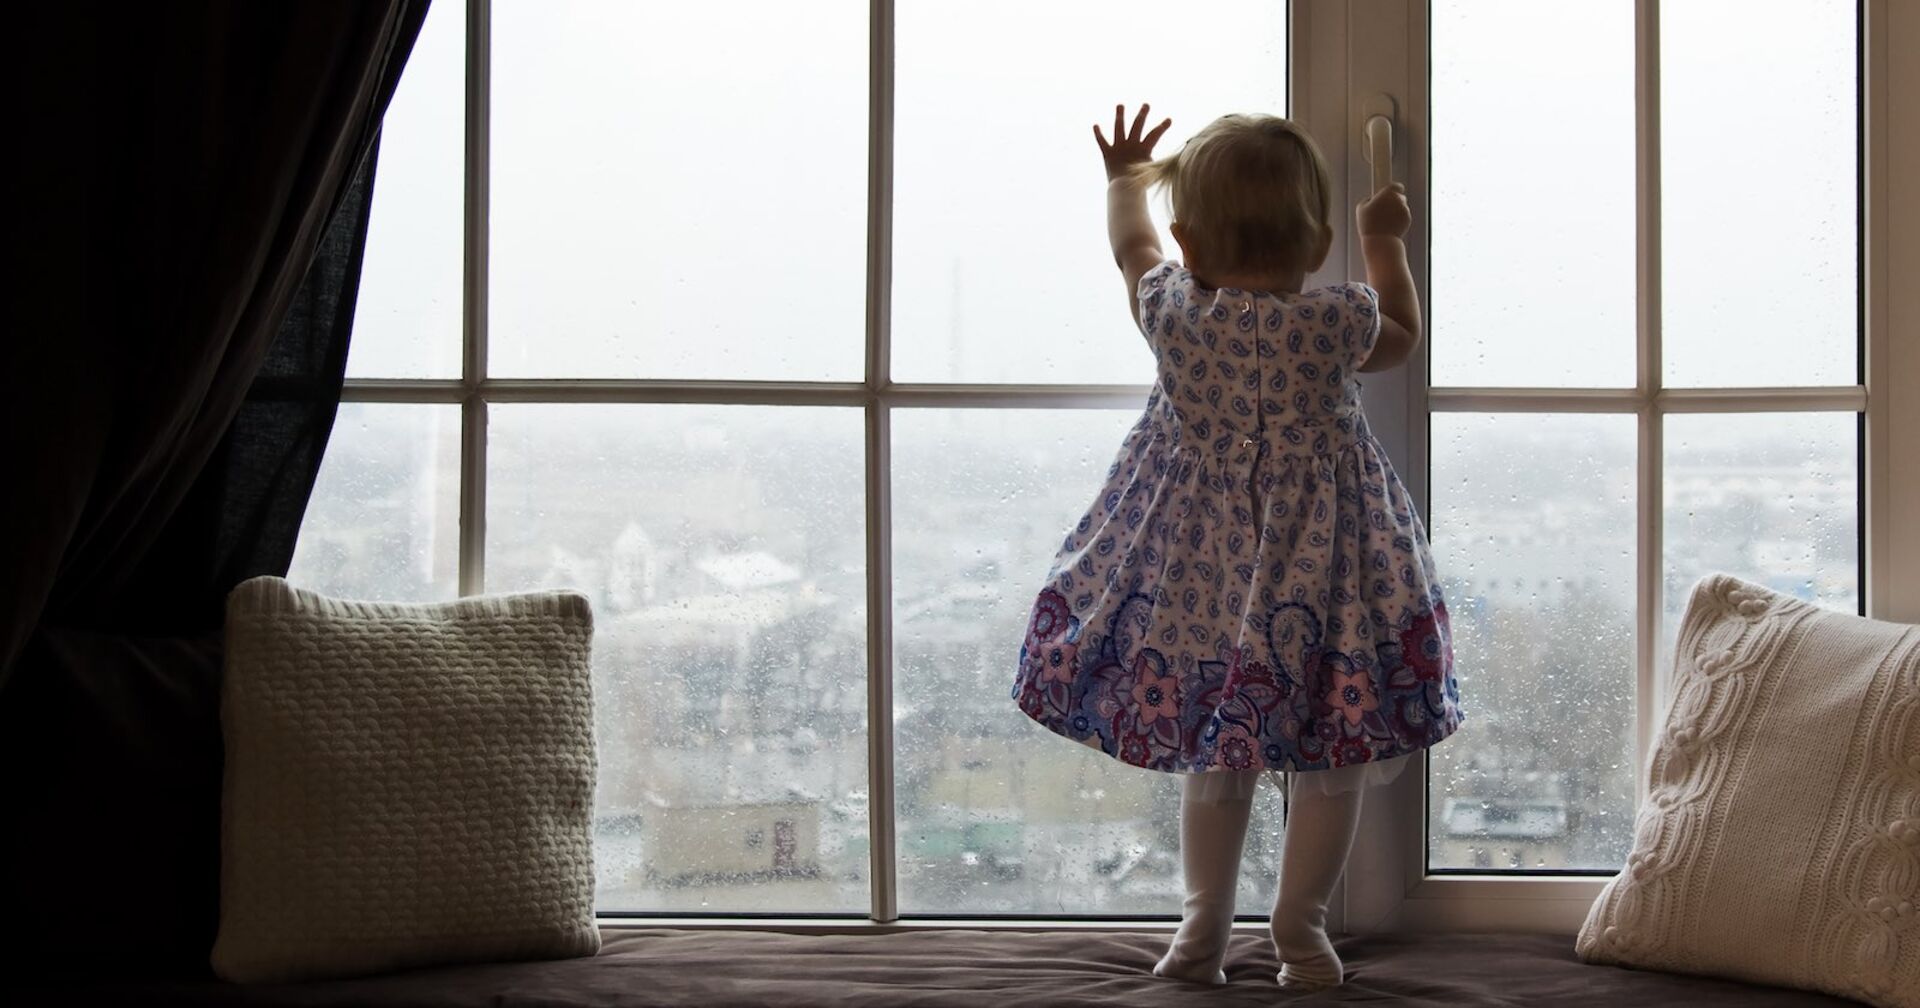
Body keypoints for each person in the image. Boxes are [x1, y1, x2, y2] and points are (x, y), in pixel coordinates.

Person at [1010, 104, 1463, 989]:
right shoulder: (1334, 322)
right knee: (1336, 755)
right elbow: (1403, 336)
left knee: (1218, 753)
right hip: (1327, 575)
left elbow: (1130, 248)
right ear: (1315, 236)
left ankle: (1199, 934)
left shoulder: (1174, 311)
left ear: (1188, 238)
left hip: (1197, 578)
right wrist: (1385, 241)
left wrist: (1120, 181)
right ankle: (1302, 933)